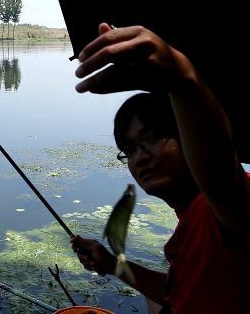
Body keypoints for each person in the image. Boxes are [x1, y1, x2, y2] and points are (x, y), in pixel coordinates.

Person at [69, 23, 250, 313]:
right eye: (129, 150)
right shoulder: (192, 224)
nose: (139, 157)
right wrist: (113, 264)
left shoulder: (227, 206)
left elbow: (222, 175)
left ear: (186, 134)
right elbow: (176, 293)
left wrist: (181, 78)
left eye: (151, 138)